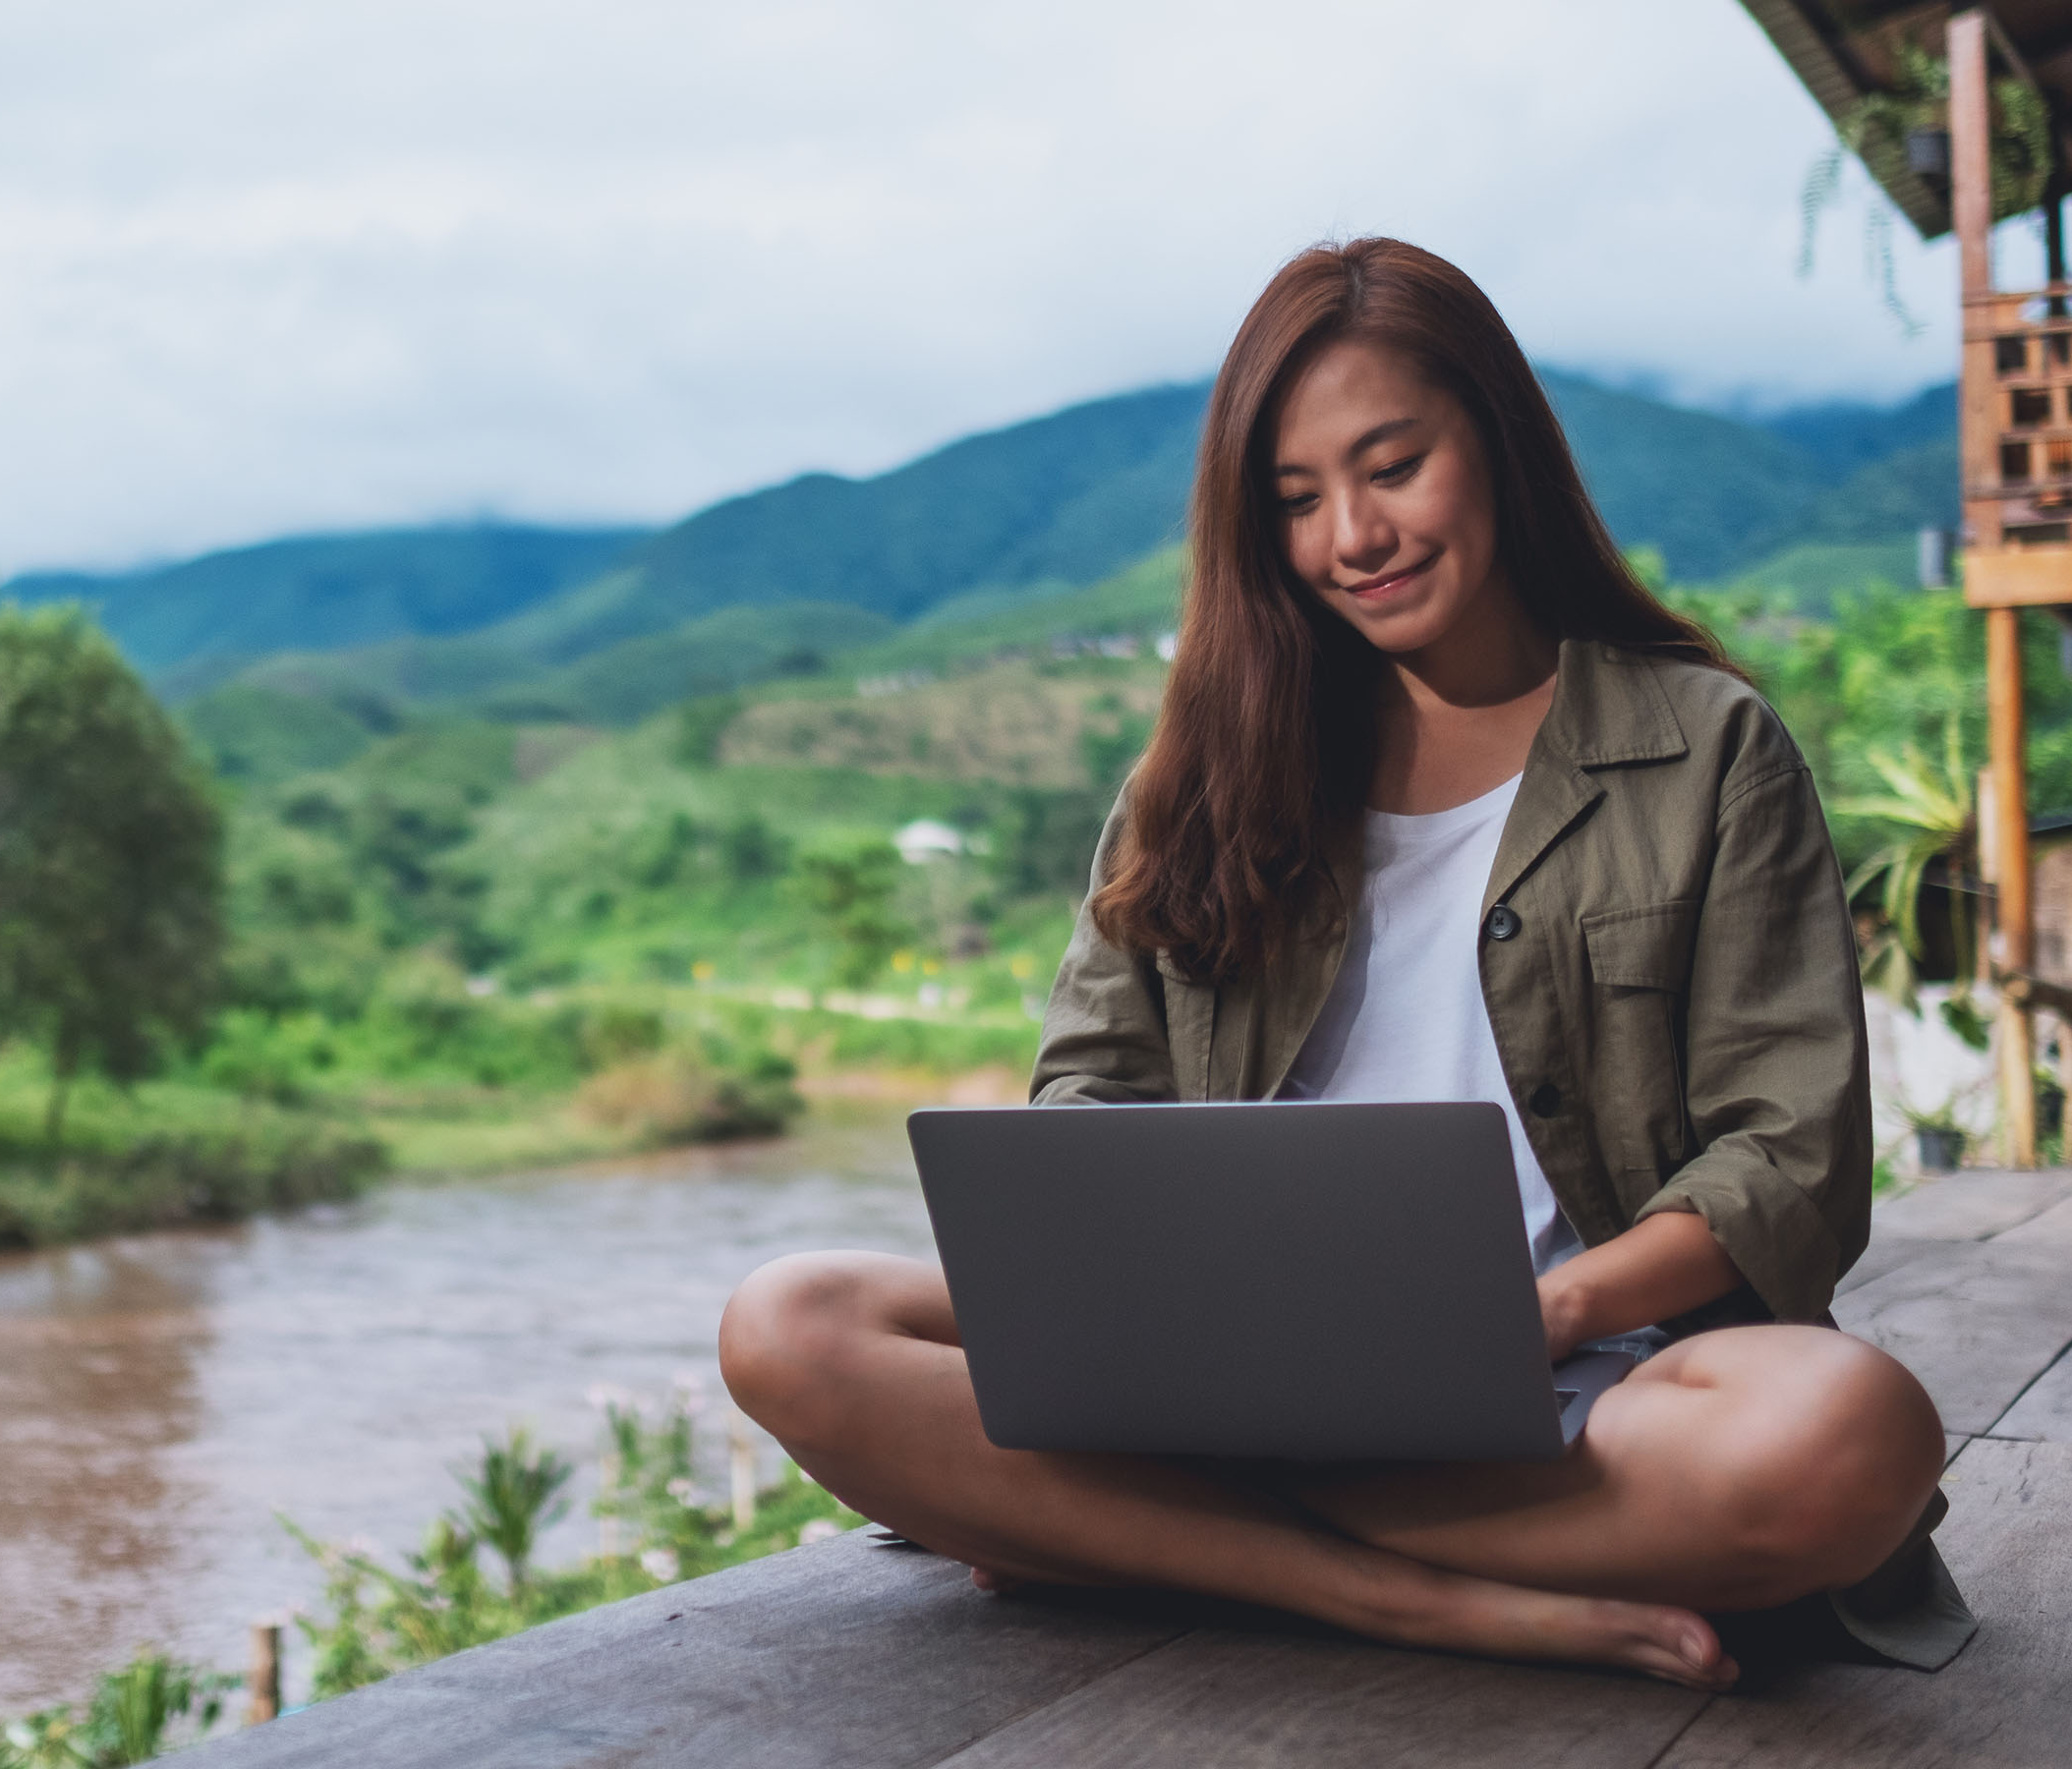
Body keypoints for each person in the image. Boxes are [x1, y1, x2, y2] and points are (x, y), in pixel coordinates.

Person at [719, 238, 1971, 1690]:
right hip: (1219, 1373)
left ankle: (1145, 1539)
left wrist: (1547, 1310)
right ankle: (1416, 1601)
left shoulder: (1704, 747)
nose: (1352, 536)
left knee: (1843, 1436)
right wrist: (1163, 1314)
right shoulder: (1201, 772)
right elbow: (1090, 1096)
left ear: (1496, 444)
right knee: (792, 1321)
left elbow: (1787, 1159)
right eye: (1298, 500)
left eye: (1393, 466)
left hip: (1588, 1372)